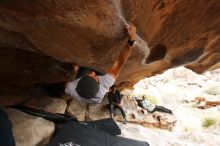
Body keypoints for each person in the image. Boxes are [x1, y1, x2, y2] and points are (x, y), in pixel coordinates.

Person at [65, 24, 137, 105]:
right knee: (101, 71)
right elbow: (120, 61)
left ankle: (82, 73)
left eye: (89, 75)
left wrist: (74, 72)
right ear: (99, 84)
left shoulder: (70, 88)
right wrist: (131, 41)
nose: (93, 73)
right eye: (95, 77)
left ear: (78, 83)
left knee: (82, 70)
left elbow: (69, 81)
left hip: (84, 87)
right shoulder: (103, 89)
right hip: (94, 98)